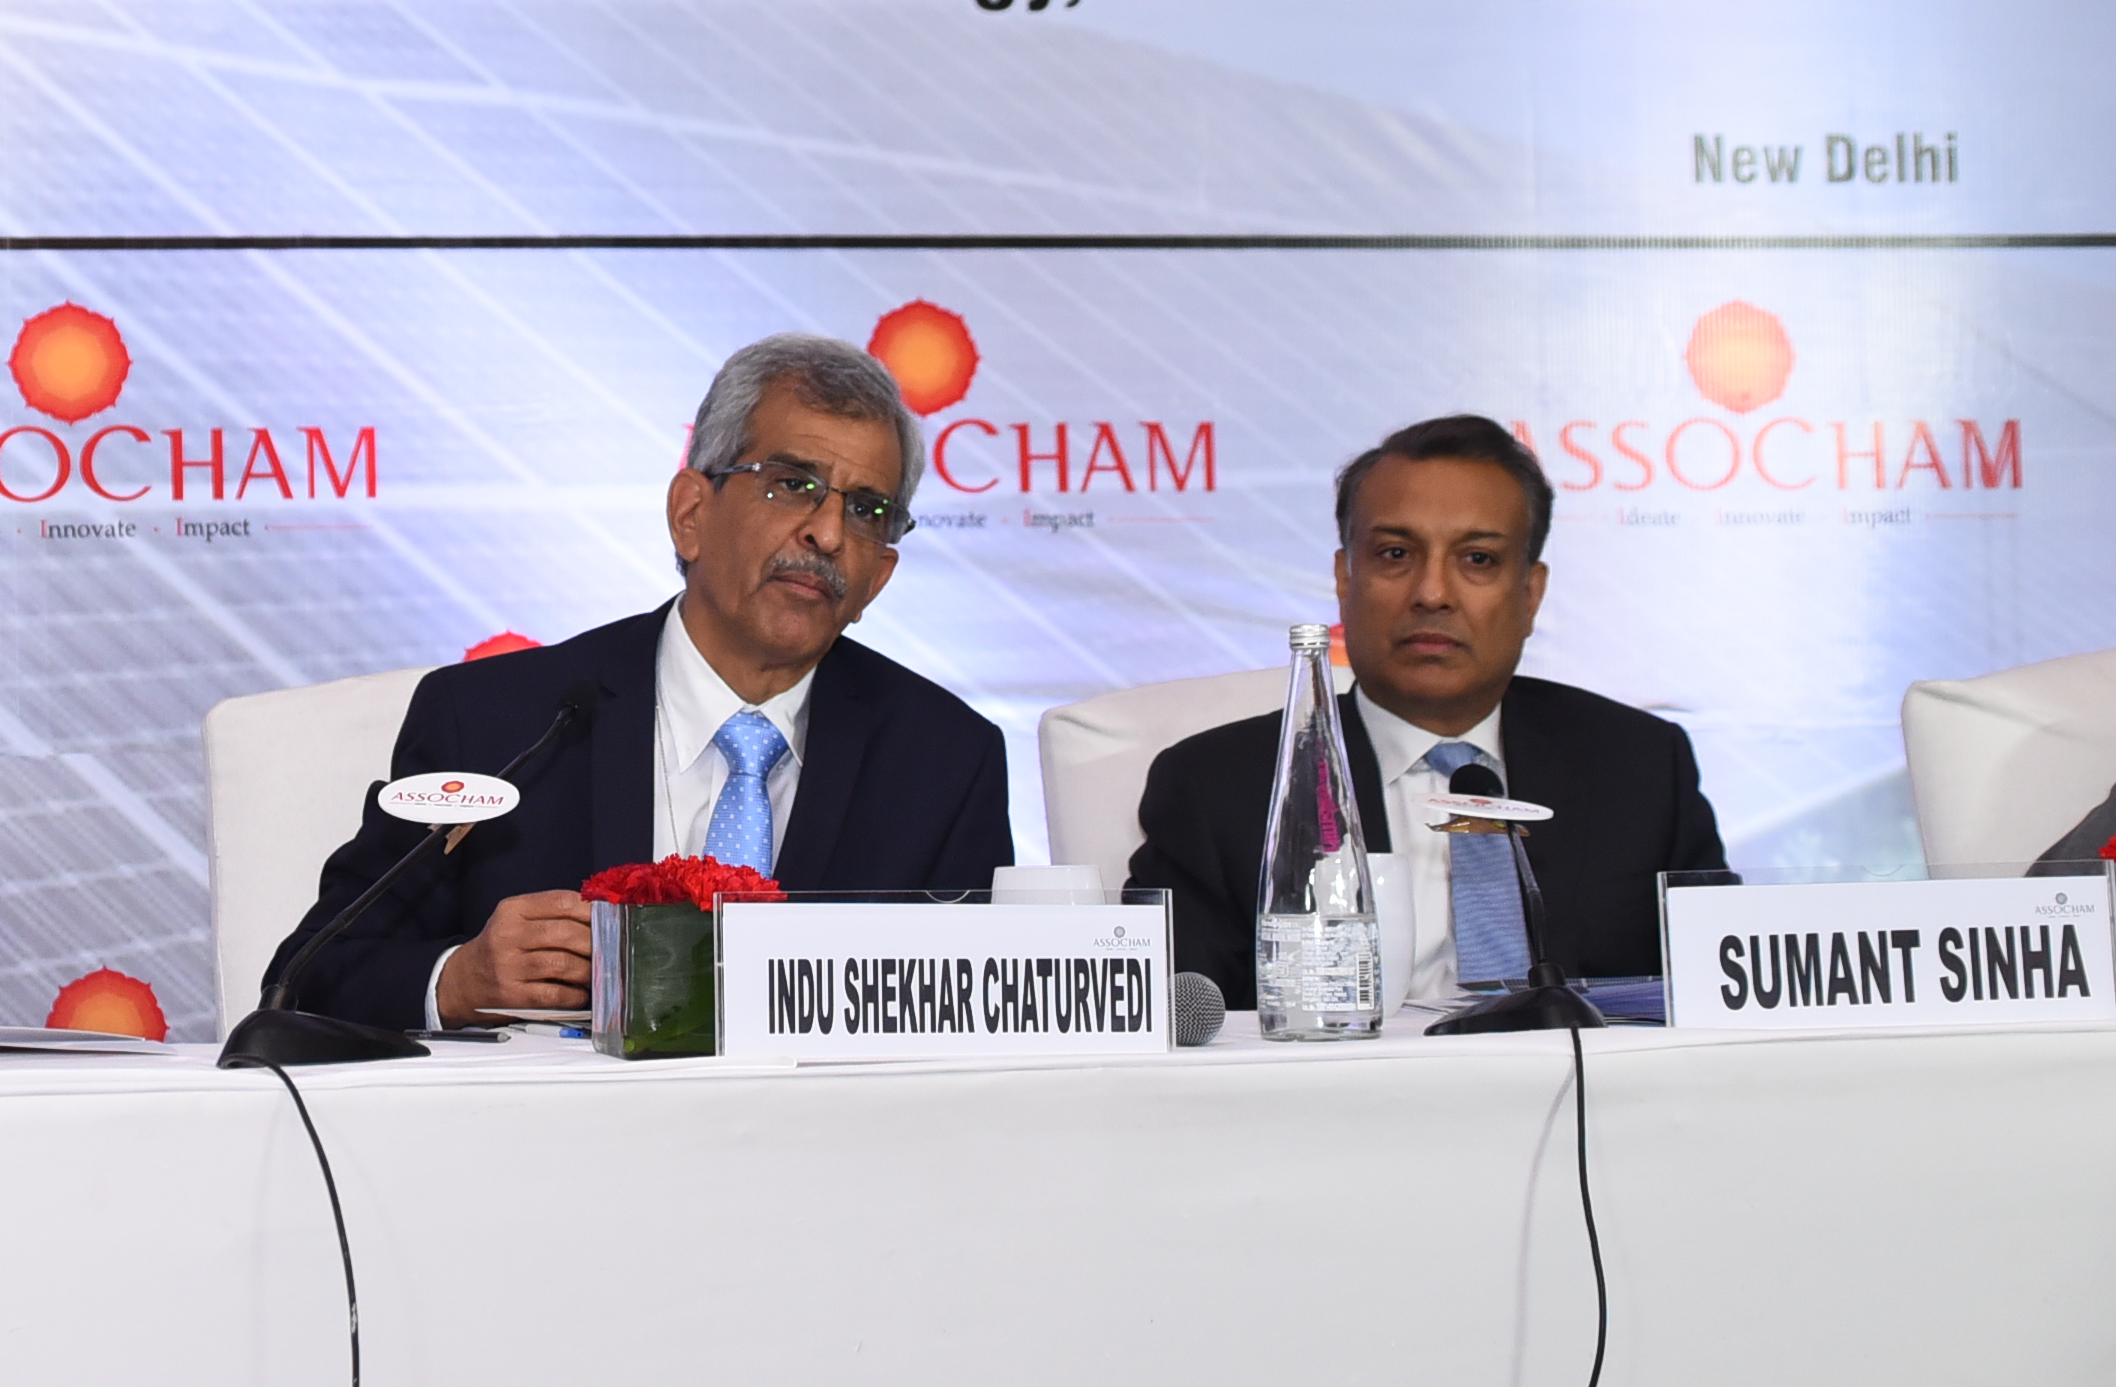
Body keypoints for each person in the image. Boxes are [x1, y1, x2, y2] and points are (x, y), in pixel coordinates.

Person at [266, 334, 1015, 1031]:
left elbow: (990, 1021)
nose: (827, 532)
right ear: (691, 513)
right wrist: (456, 981)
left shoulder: (944, 762)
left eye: (867, 510)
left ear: (879, 574)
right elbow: (304, 979)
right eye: (793, 484)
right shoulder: (497, 722)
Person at [1127, 414, 1727, 1010]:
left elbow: (1725, 997)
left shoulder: (1641, 767)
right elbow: (1175, 1020)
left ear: (1530, 593)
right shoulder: (1220, 788)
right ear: (1345, 578)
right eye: (1395, 553)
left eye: (1479, 559)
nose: (1432, 593)